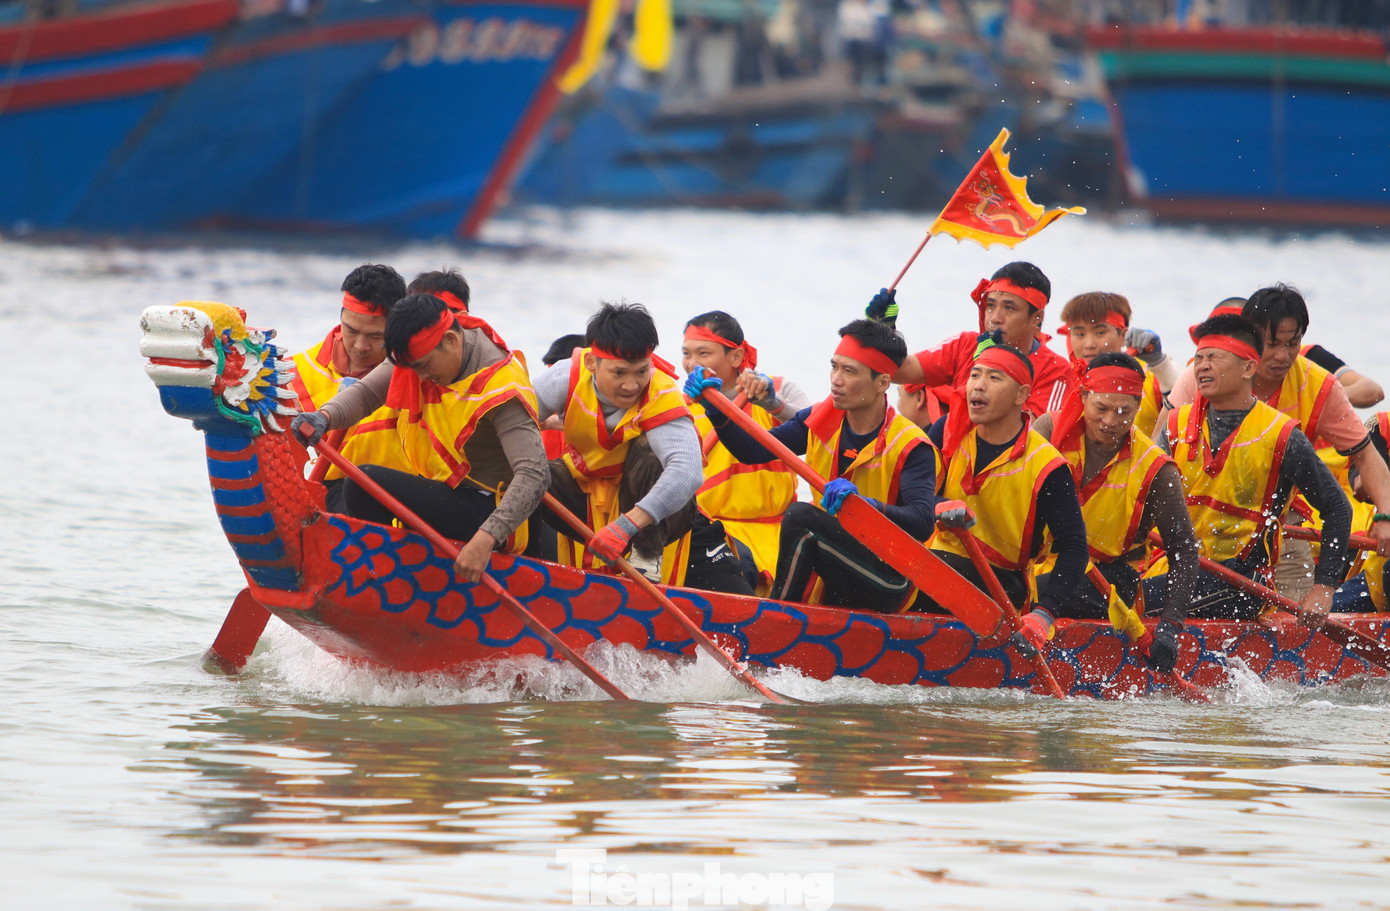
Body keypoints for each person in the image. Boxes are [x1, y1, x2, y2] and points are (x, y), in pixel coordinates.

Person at [290, 293, 550, 583]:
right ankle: (389, 572)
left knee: (363, 483)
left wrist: (485, 540)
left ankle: (384, 579)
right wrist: (323, 418)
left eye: (425, 367)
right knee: (362, 484)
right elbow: (367, 394)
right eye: (412, 369)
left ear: (452, 340)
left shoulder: (502, 389)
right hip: (445, 490)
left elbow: (534, 474)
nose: (420, 378)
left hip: (491, 510)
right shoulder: (420, 352)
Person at [689, 319, 937, 611]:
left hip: (890, 578)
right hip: (836, 558)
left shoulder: (911, 444)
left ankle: (774, 621)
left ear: (882, 383)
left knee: (800, 516)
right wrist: (715, 409)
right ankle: (776, 617)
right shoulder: (822, 418)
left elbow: (922, 521)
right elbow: (752, 450)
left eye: (849, 371)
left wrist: (864, 504)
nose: (836, 379)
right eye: (834, 367)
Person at [1160, 286, 1390, 597]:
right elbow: (1152, 462)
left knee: (1296, 627)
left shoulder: (1320, 387)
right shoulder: (1203, 374)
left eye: (1292, 344)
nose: (1283, 356)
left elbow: (1365, 460)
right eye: (1272, 344)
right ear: (1249, 340)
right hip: (1195, 522)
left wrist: (1386, 514)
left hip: (1278, 526)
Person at [533, 302, 750, 594]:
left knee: (650, 451)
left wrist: (626, 526)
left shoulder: (662, 392)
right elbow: (504, 424)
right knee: (526, 463)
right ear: (591, 364)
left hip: (652, 513)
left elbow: (687, 472)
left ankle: (647, 557)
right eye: (619, 373)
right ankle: (507, 548)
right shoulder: (564, 376)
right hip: (582, 498)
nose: (631, 385)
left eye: (641, 371)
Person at [1156, 314, 1353, 624]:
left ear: (1249, 368)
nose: (1202, 366)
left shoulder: (1282, 436)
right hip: (1173, 569)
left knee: (1131, 600)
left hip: (1241, 582)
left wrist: (1324, 588)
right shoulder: (1173, 424)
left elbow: (1338, 509)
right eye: (1199, 358)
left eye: (1214, 358)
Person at [919, 332, 1089, 657]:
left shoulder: (1047, 465)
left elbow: (1074, 548)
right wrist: (940, 506)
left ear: (1021, 394)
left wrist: (1044, 615)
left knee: (924, 566)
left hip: (1000, 583)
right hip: (936, 561)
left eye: (994, 378)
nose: (978, 386)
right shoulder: (947, 430)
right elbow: (917, 499)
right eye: (974, 375)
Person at [1031, 352, 1198, 673]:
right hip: (1038, 569)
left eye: (1124, 411)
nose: (1110, 421)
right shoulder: (1048, 430)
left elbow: (1184, 550)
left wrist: (1169, 627)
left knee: (1030, 591)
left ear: (1139, 406)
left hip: (1107, 586)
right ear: (1083, 396)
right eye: (1101, 409)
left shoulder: (1156, 467)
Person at [680, 310, 812, 589]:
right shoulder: (679, 407)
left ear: (737, 357)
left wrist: (772, 403)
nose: (692, 364)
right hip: (711, 528)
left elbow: (818, 431)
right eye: (687, 354)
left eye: (703, 353)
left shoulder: (777, 388)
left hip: (775, 529)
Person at [870, 261, 1074, 418]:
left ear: (1036, 318)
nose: (994, 318)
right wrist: (882, 332)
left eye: (1009, 308)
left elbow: (1028, 435)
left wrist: (987, 364)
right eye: (991, 305)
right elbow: (896, 372)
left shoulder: (1057, 370)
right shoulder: (964, 344)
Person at [290, 263, 412, 513]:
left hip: (401, 498)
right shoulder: (292, 373)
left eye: (376, 336)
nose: (360, 345)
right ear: (341, 317)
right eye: (351, 330)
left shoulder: (422, 371)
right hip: (321, 496)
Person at [1056, 291, 1166, 438]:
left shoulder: (1152, 376)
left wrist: (1161, 363)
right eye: (1080, 334)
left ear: (1123, 336)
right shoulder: (1059, 378)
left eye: (1100, 333)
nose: (1089, 344)